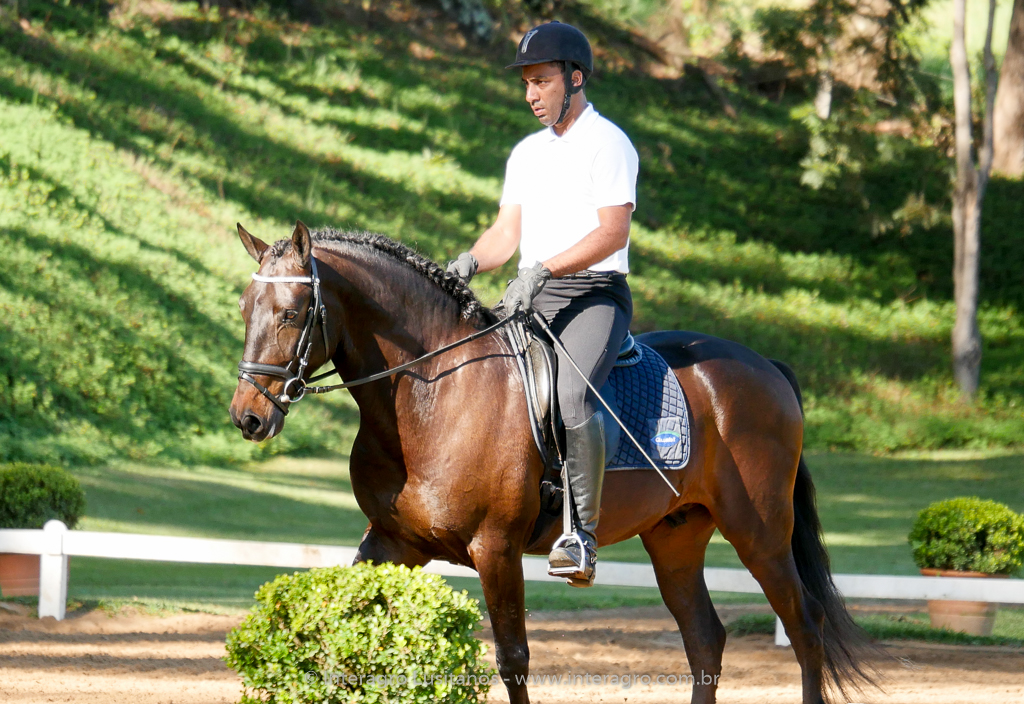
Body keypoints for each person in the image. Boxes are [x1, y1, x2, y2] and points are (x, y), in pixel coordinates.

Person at [446, 21, 638, 587]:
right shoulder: (527, 153)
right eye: (526, 84)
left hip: (593, 294)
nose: (531, 95)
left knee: (572, 392)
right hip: (530, 292)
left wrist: (547, 267)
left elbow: (612, 234)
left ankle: (581, 537)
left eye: (541, 82)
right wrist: (469, 263)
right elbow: (506, 234)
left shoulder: (609, 144)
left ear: (574, 78)